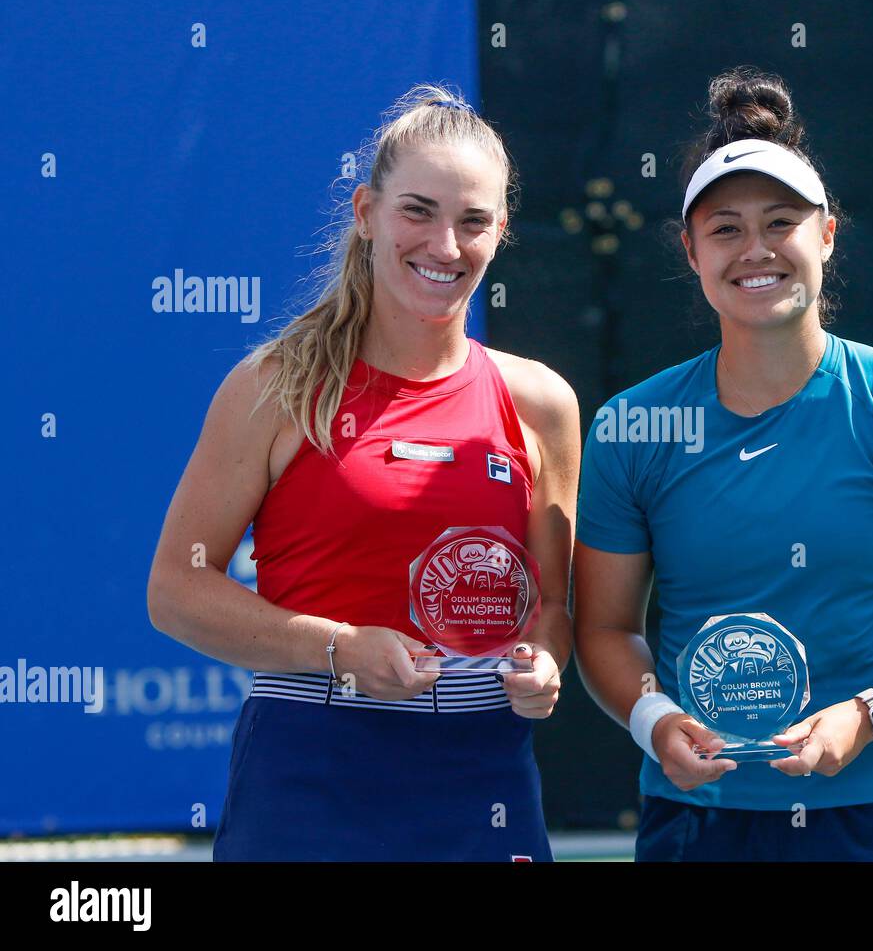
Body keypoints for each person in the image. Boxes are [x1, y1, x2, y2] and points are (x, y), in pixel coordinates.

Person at [573, 68, 873, 861]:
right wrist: (655, 721)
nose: (755, 250)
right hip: (701, 822)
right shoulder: (633, 427)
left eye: (781, 222)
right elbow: (605, 628)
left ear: (827, 234)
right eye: (725, 228)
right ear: (690, 250)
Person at [146, 84, 580, 861]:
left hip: (485, 781)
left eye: (473, 221)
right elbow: (176, 592)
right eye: (418, 211)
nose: (445, 246)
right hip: (311, 776)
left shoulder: (542, 402)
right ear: (365, 213)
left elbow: (551, 606)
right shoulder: (277, 385)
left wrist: (544, 663)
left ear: (501, 231)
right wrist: (340, 648)